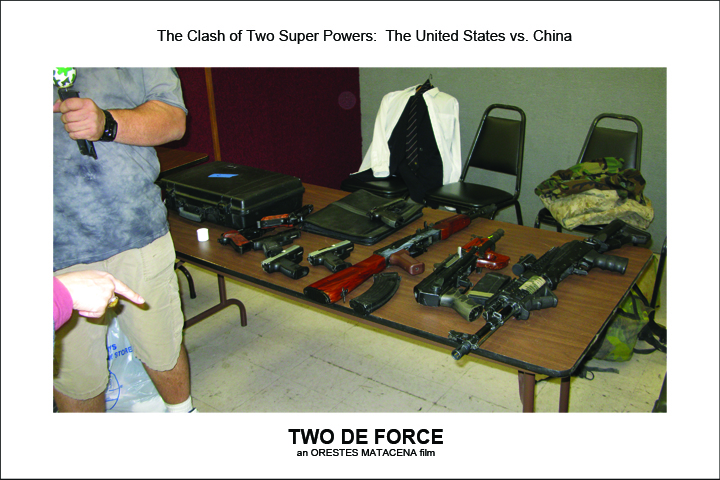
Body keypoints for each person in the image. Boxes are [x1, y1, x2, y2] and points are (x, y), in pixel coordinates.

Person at [53, 68, 193, 413]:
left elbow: (174, 121)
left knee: (163, 346)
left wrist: (107, 124)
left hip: (137, 230)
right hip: (55, 249)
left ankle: (183, 416)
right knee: (76, 377)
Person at [54, 271, 145, 330]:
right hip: (65, 266)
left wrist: (58, 292)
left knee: (144, 329)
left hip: (126, 253)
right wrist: (60, 292)